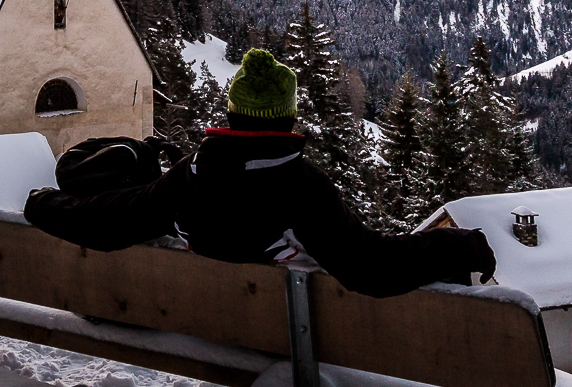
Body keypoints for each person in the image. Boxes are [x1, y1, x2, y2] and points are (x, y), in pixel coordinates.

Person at [25, 49, 495, 297]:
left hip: (220, 340)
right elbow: (370, 269)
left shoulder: (190, 177)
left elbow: (108, 220)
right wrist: (458, 245)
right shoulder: (299, 189)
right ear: (288, 118)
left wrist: (43, 203)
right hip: (299, 354)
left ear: (233, 116)